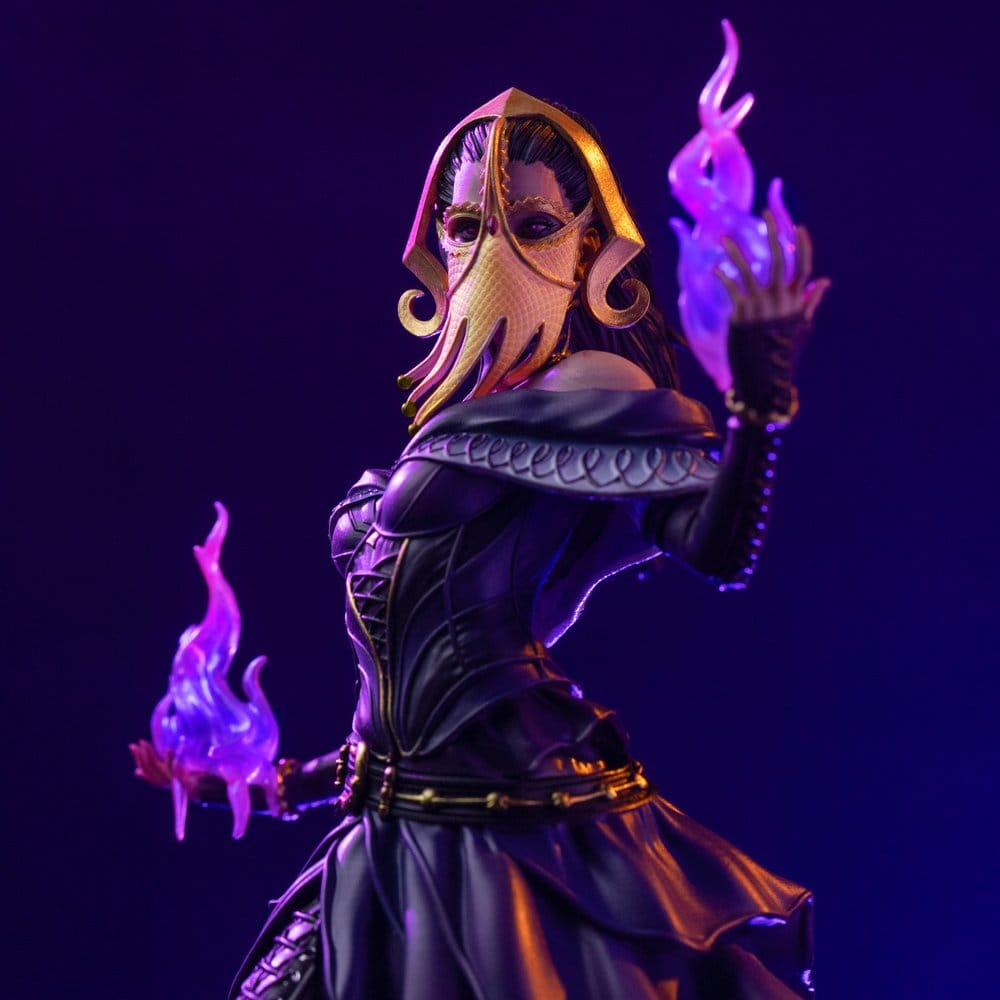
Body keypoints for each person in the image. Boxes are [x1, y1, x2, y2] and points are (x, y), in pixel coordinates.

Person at [132, 87, 828, 999]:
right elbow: (402, 707)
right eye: (467, 226)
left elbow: (717, 549)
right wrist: (280, 783)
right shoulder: (459, 419)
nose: (495, 251)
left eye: (533, 226)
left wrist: (758, 402)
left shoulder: (596, 394)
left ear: (590, 247)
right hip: (387, 840)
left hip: (512, 848)